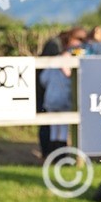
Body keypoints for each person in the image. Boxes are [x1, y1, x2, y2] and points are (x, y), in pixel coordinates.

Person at [38, 28, 84, 157]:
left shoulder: (53, 61)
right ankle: (61, 156)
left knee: (54, 129)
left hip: (50, 99)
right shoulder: (70, 60)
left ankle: (52, 155)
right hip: (63, 99)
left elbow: (43, 78)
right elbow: (70, 77)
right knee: (63, 129)